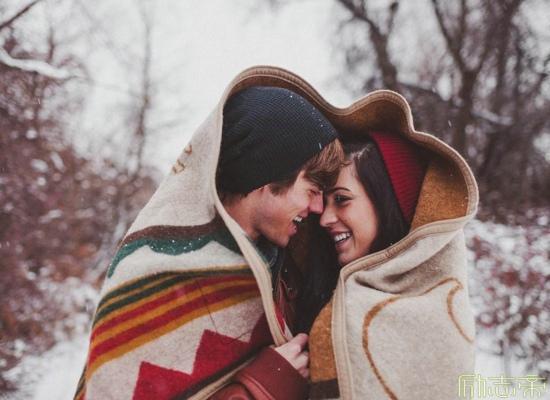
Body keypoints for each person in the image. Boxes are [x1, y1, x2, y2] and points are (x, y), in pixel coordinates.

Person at [211, 86, 344, 399]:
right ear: (268, 173)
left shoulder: (286, 272)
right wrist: (261, 389)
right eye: (313, 190)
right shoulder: (163, 274)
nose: (318, 208)